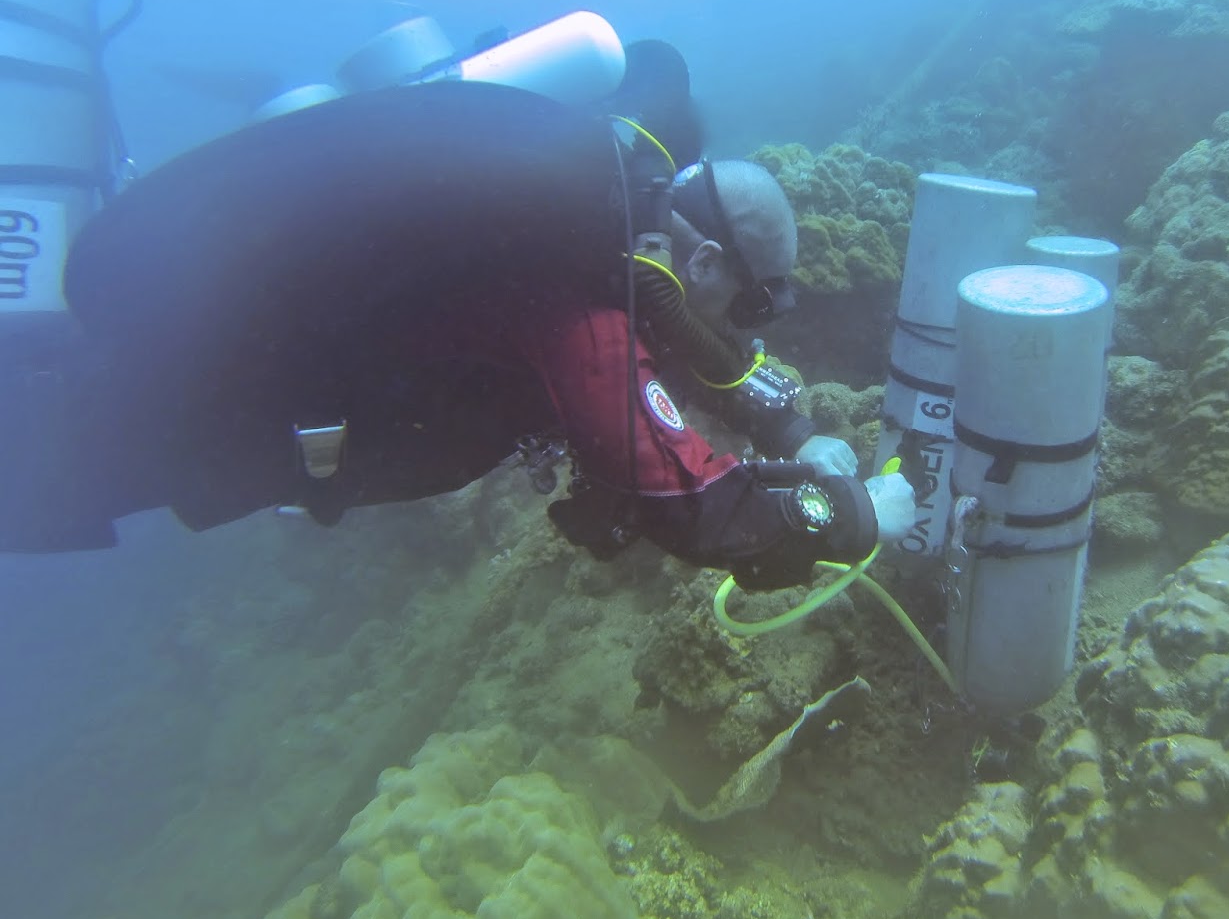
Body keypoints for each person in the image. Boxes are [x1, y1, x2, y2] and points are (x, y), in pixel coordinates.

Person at [0, 46, 916, 590]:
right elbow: (697, 508)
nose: (749, 329)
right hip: (170, 413)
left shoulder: (617, 187)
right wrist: (853, 512)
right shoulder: (587, 300)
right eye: (751, 304)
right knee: (40, 462)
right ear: (704, 259)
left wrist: (792, 422)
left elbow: (700, 349)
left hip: (189, 359)